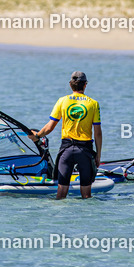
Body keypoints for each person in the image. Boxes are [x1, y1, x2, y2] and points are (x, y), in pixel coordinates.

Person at [32, 70, 102, 199]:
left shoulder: (62, 101)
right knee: (86, 195)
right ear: (85, 85)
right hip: (85, 151)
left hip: (66, 150)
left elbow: (49, 127)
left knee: (61, 193)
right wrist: (98, 155)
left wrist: (37, 136)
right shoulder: (93, 104)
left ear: (70, 85)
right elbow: (97, 133)